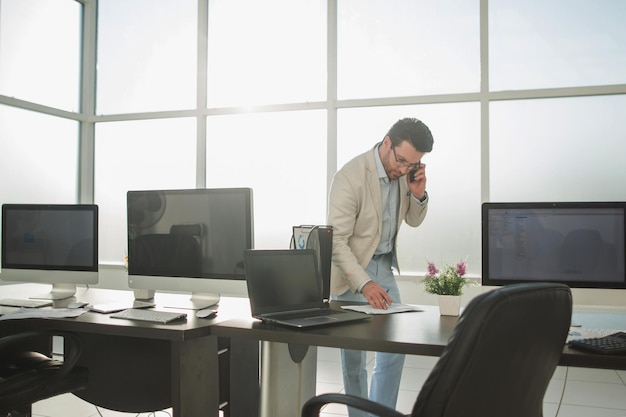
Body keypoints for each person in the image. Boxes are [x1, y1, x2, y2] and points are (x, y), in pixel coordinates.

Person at [327, 117, 434, 416]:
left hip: (384, 267)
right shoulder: (350, 176)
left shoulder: (405, 174)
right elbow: (337, 242)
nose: (402, 169)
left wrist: (417, 192)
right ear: (387, 142)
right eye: (401, 160)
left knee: (394, 348)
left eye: (411, 165)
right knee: (354, 358)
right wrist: (364, 283)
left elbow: (413, 220)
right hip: (352, 271)